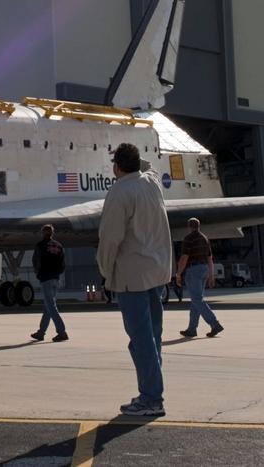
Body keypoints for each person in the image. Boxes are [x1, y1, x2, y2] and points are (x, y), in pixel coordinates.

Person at [97, 143, 173, 418]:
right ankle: (152, 391)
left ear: (116, 166)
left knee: (140, 340)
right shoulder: (151, 183)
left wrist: (106, 273)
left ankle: (151, 397)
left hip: (132, 276)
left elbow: (110, 239)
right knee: (153, 336)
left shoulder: (119, 192)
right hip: (157, 272)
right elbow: (151, 166)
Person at [176, 218, 223, 339]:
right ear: (199, 226)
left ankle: (215, 324)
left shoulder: (188, 239)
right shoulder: (204, 238)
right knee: (196, 300)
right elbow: (209, 258)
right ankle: (192, 329)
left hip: (193, 270)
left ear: (188, 227)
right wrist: (211, 275)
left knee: (197, 300)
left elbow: (184, 257)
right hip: (204, 269)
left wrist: (178, 273)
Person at [29, 224, 68, 342]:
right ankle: (41, 333)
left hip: (45, 278)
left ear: (43, 233)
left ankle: (62, 332)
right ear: (52, 233)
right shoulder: (59, 245)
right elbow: (63, 263)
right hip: (56, 278)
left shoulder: (40, 246)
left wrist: (38, 273)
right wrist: (58, 273)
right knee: (48, 306)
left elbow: (35, 260)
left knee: (51, 306)